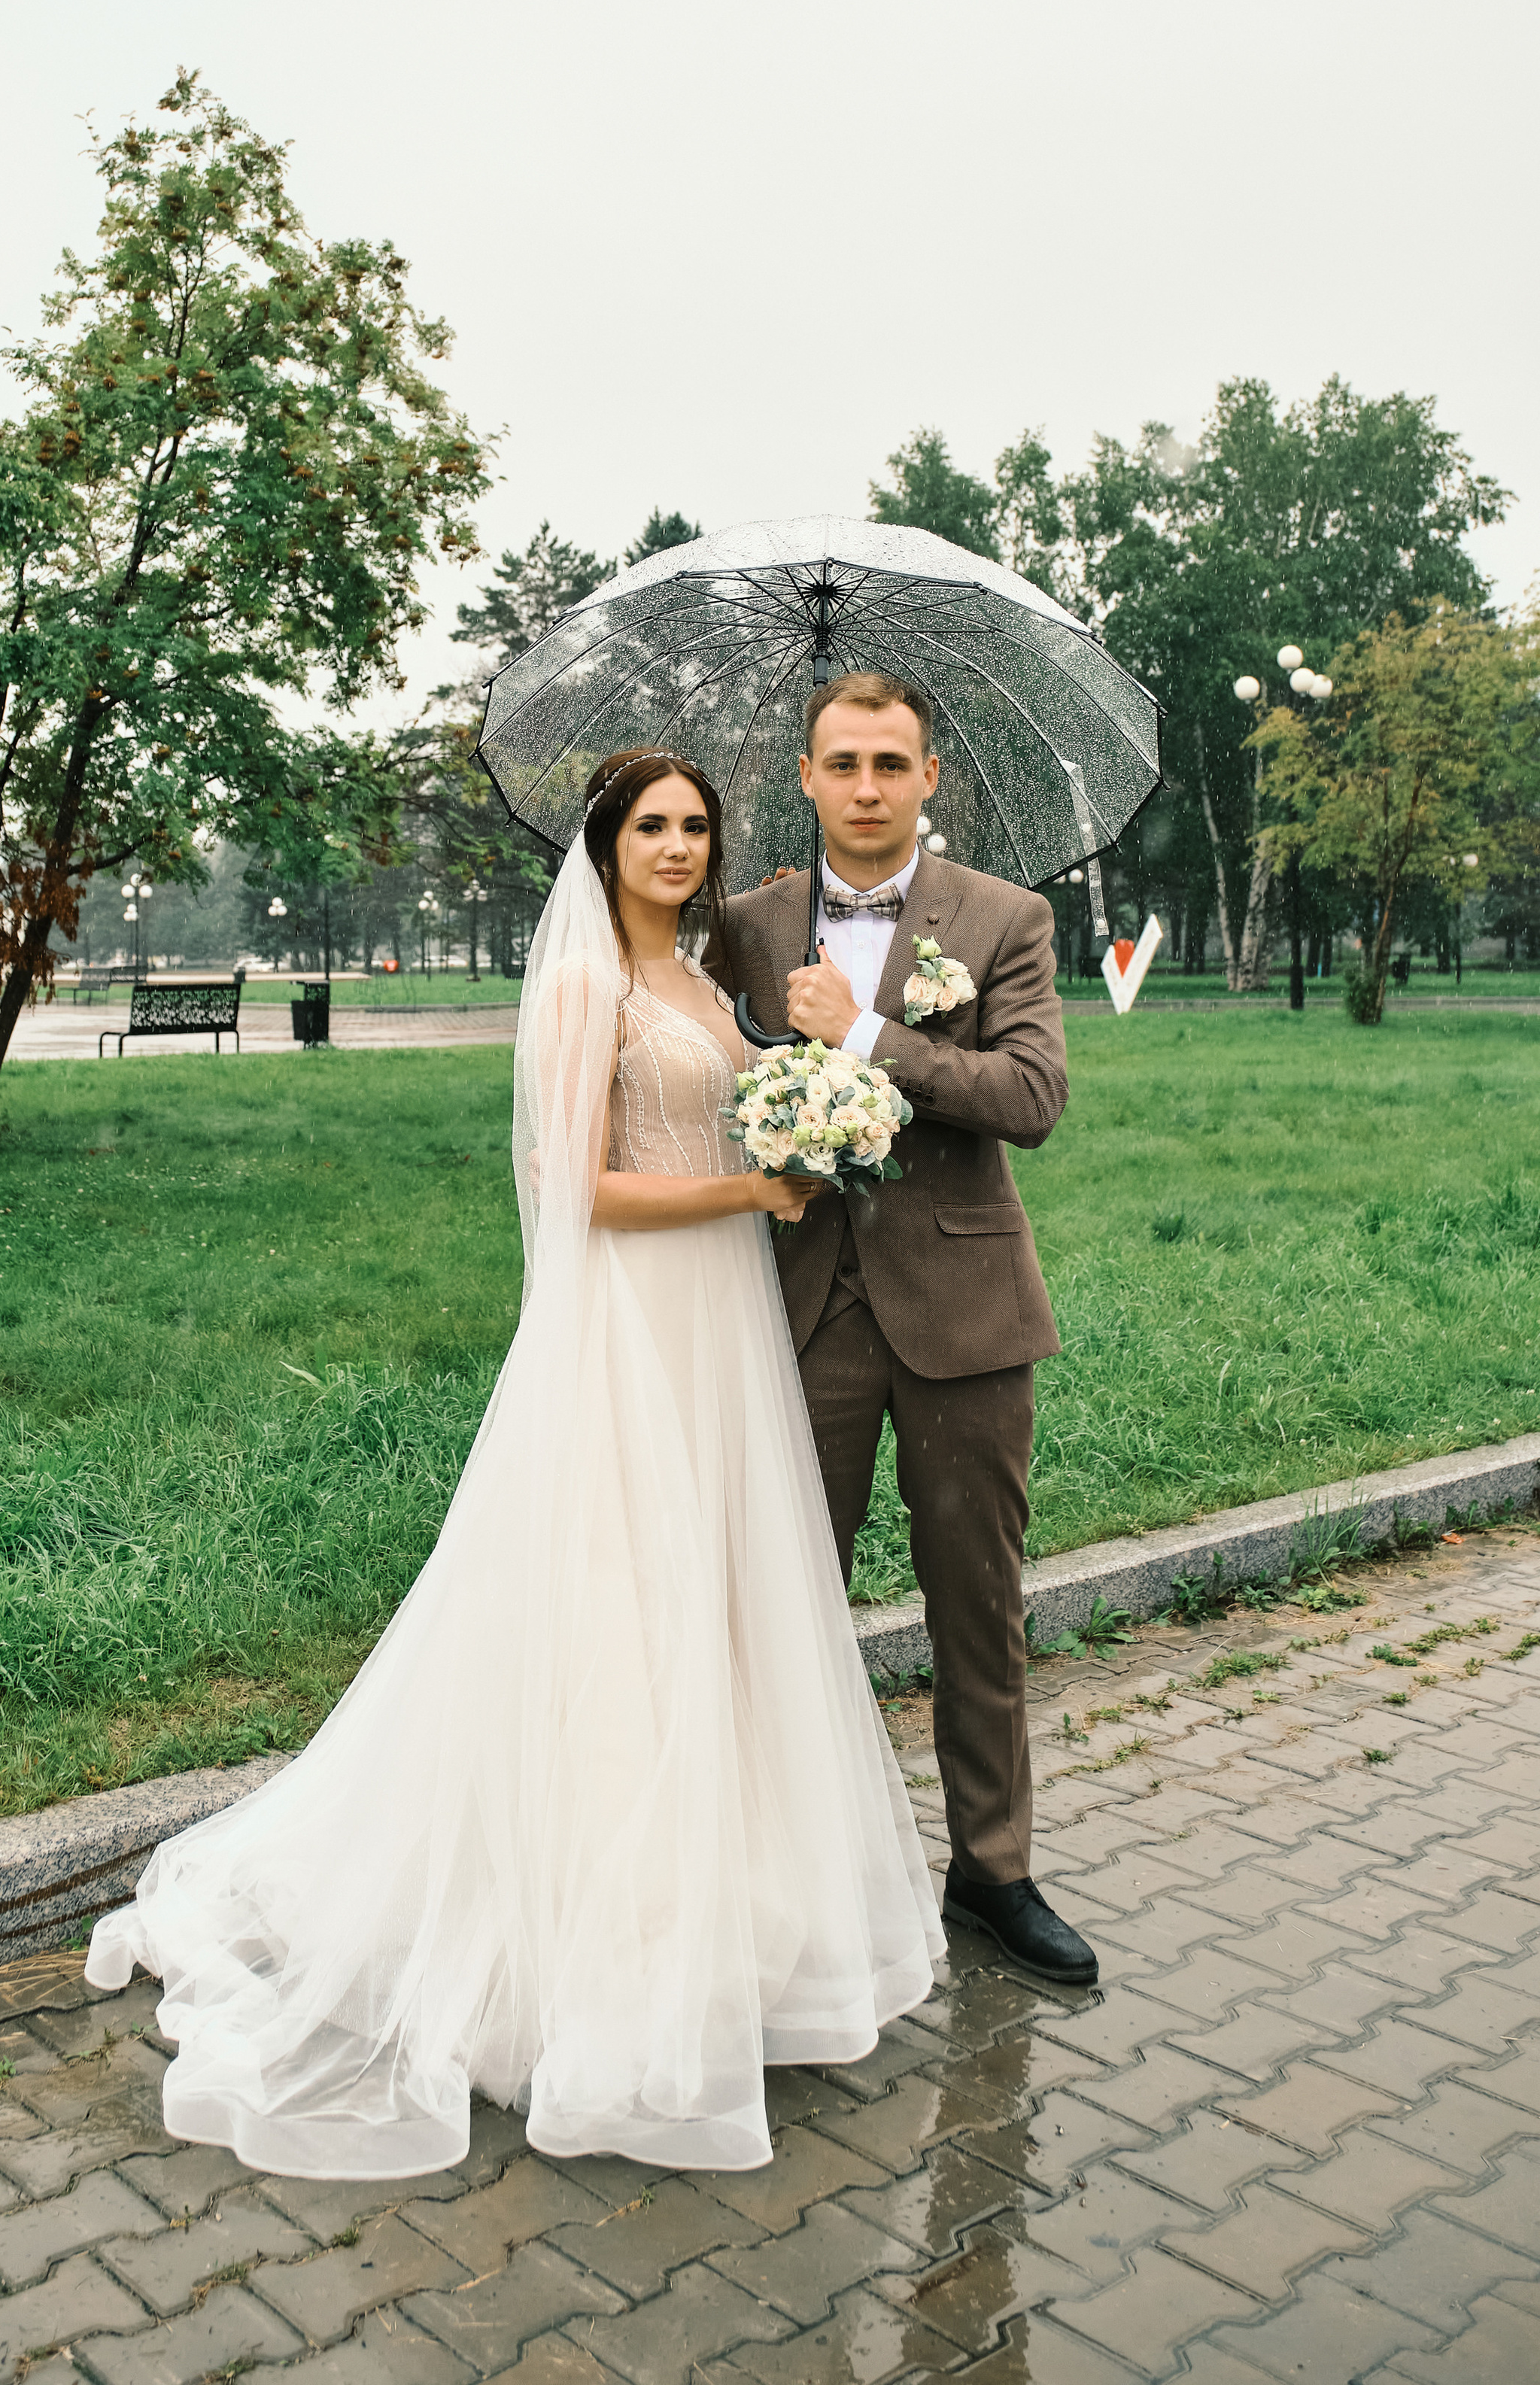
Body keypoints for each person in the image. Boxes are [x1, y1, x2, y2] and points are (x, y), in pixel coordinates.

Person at [86, 748, 943, 2177]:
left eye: (695, 828)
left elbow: (722, 1107)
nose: (676, 846)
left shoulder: (703, 989)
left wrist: (814, 1091)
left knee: (710, 1611)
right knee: (618, 1609)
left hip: (722, 1324)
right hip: (625, 1329)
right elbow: (574, 1186)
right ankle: (583, 1950)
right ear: (604, 846)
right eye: (650, 827)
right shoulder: (581, 987)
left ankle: (714, 1925)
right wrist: (753, 1184)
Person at [709, 671, 1096, 1989]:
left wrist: (867, 1033)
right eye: (842, 764)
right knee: (778, 1601)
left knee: (976, 1608)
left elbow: (1032, 1094)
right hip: (797, 1312)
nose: (867, 787)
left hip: (965, 1316)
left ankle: (993, 1872)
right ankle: (773, 1883)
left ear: (932, 779)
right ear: (806, 781)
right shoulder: (747, 925)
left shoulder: (1004, 918)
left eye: (891, 763)